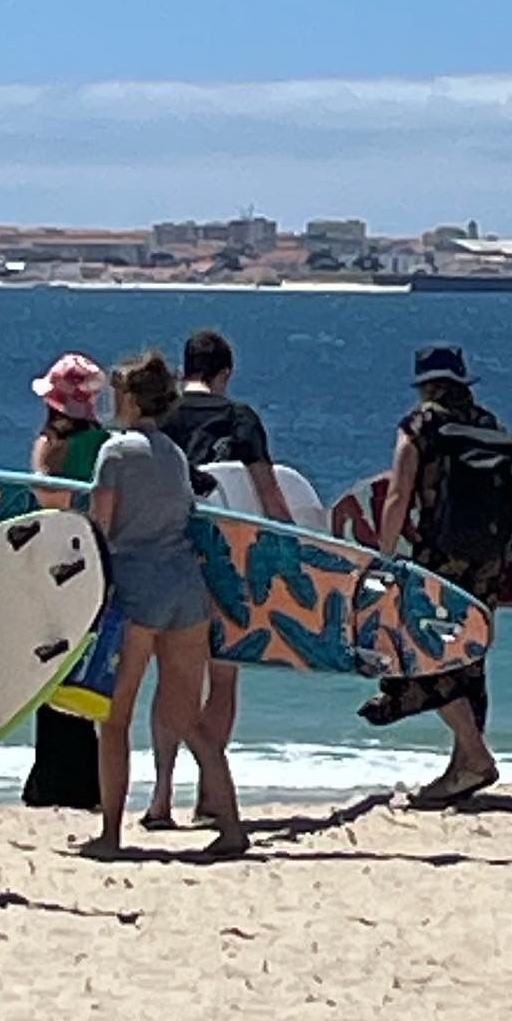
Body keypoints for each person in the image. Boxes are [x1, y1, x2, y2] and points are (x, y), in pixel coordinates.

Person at [86, 350, 248, 858]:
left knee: (115, 716)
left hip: (137, 590)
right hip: (185, 589)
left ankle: (110, 835)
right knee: (187, 716)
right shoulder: (174, 454)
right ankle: (232, 826)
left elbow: (101, 528)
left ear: (132, 399)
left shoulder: (117, 453)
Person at [358, 344, 512, 806]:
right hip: (491, 560)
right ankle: (460, 769)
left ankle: (474, 757)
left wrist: (382, 557)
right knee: (469, 660)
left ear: (424, 385)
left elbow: (397, 494)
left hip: (441, 557)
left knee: (426, 653)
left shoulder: (420, 424)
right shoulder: (489, 424)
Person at [148, 329, 294, 829]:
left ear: (184, 369)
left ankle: (161, 796)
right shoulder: (240, 419)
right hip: (228, 561)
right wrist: (292, 550)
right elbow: (269, 496)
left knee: (171, 678)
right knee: (223, 677)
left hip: (167, 557)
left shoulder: (158, 416)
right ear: (225, 373)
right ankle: (210, 794)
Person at [22, 352, 110, 811]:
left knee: (52, 664)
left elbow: (44, 500)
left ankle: (56, 781)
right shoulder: (106, 442)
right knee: (81, 669)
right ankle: (83, 781)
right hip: (95, 559)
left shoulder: (52, 445)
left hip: (57, 561)